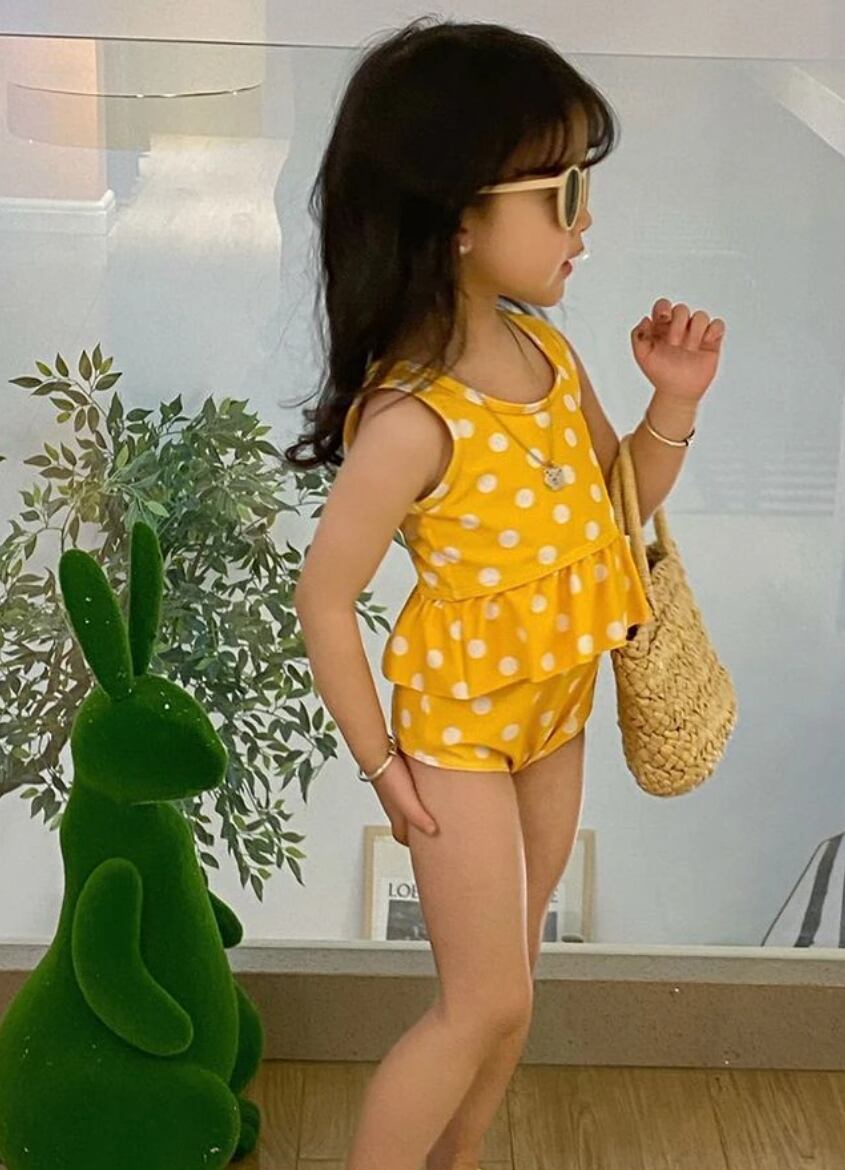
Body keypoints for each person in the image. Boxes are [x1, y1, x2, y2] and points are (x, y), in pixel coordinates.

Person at [286, 17, 726, 1170]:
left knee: (513, 991)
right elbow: (323, 597)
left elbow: (617, 508)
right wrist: (382, 765)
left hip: (552, 710)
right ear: (457, 217)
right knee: (476, 1003)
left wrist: (672, 402)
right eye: (560, 193)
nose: (584, 223)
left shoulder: (550, 357)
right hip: (459, 734)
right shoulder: (409, 417)